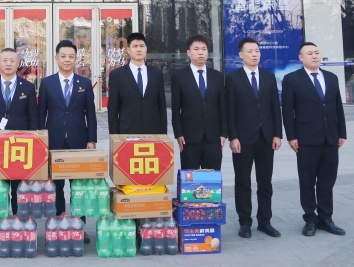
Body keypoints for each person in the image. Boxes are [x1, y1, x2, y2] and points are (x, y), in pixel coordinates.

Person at [282, 42, 347, 237]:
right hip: (306, 139)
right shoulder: (292, 80)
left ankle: (326, 218)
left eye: (317, 52)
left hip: (330, 138)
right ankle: (310, 219)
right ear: (301, 58)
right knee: (307, 181)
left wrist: (341, 133)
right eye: (309, 53)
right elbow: (287, 111)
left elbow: (338, 107)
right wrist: (291, 136)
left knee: (328, 180)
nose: (314, 56)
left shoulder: (331, 78)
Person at [0, 48, 38, 245]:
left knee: (19, 189)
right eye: (5, 60)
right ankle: (0, 229)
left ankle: (20, 224)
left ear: (18, 63)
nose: (9, 63)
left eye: (12, 60)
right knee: (0, 190)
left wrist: (35, 144)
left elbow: (33, 118)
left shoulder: (28, 87)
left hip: (21, 147)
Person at [38, 39, 96, 243]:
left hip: (79, 141)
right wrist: (41, 141)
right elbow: (41, 114)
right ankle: (58, 223)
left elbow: (91, 114)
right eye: (63, 56)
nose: (67, 60)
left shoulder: (85, 83)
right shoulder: (47, 83)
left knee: (78, 188)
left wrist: (91, 140)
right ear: (56, 58)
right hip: (54, 142)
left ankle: (80, 226)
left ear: (76, 59)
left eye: (71, 56)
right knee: (56, 186)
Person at [226, 37, 282, 239]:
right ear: (241, 55)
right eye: (250, 51)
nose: (254, 54)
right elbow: (229, 111)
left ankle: (265, 221)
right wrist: (233, 137)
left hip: (266, 137)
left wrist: (277, 134)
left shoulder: (268, 77)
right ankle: (245, 222)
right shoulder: (233, 79)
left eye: (257, 50)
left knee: (265, 182)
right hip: (242, 139)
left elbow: (275, 107)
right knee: (243, 182)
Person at [171, 34, 226, 170]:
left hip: (213, 137)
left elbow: (222, 107)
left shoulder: (217, 76)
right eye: (196, 49)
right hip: (189, 138)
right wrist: (178, 134)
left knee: (212, 177)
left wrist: (224, 133)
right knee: (190, 177)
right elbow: (175, 108)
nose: (200, 52)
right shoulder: (179, 76)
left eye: (204, 49)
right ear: (188, 53)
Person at [107, 32, 166, 135]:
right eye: (135, 46)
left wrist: (163, 134)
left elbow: (162, 106)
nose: (139, 49)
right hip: (127, 132)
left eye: (142, 46)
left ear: (146, 49)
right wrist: (114, 136)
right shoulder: (117, 75)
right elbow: (113, 109)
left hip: (153, 132)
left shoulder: (156, 74)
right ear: (128, 50)